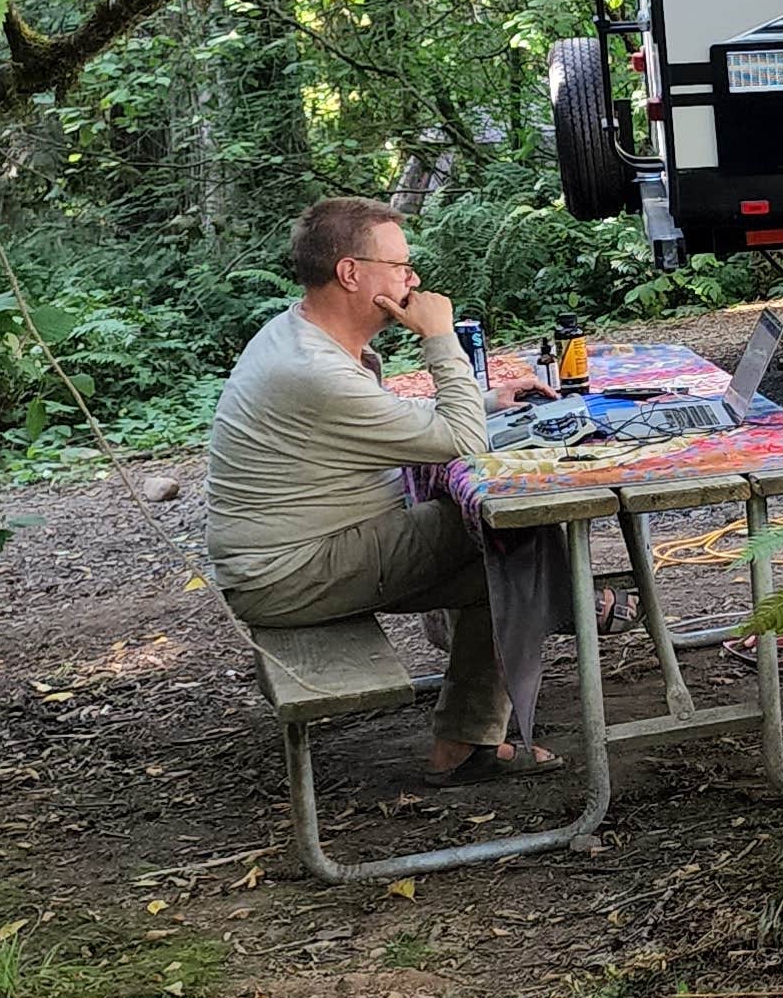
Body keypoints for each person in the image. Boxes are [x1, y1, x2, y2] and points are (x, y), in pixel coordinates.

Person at [206, 195, 539, 778]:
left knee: (503, 553)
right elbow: (464, 442)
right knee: (509, 531)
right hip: (291, 574)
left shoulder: (298, 335)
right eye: (401, 265)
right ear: (350, 272)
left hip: (298, 556)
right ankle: (580, 615)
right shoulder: (312, 370)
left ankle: (466, 737)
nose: (413, 279)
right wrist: (441, 338)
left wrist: (487, 401)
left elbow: (395, 421)